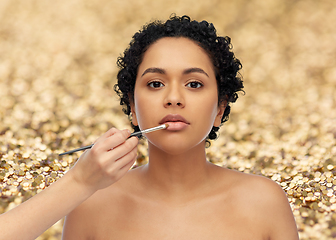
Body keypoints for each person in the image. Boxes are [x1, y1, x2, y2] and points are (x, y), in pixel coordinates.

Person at [0, 15, 299, 240]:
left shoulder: (264, 201)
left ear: (220, 109)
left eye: (194, 84)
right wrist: (80, 181)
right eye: (155, 83)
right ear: (132, 106)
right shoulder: (92, 203)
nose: (173, 98)